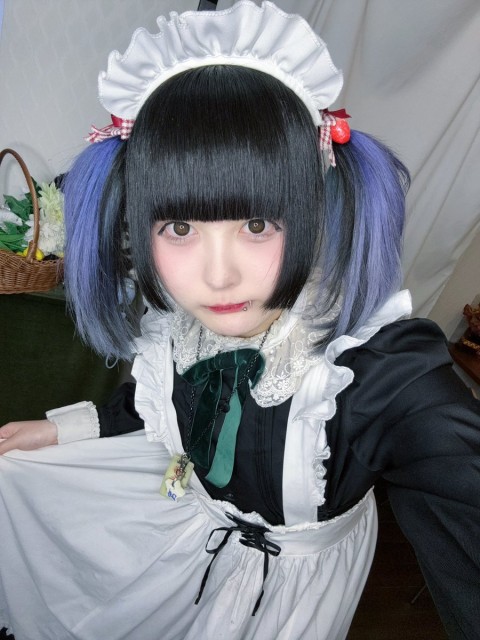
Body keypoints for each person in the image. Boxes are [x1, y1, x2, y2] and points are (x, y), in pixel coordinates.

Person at [0, 2, 479, 639]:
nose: (217, 276)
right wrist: (61, 430)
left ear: (312, 209)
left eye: (256, 224)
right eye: (179, 228)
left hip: (284, 606)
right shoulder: (179, 325)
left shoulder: (375, 371)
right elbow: (159, 403)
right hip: (186, 544)